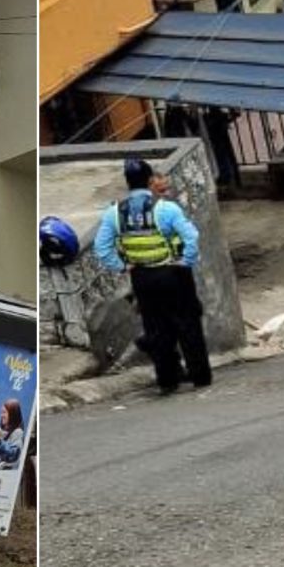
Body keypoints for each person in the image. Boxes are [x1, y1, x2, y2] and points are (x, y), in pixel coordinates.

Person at [92, 156, 211, 394]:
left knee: (156, 329)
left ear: (127, 182)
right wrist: (185, 261)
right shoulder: (166, 208)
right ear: (149, 181)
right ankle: (199, 375)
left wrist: (123, 266)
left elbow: (101, 248)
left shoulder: (115, 213)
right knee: (187, 324)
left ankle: (167, 380)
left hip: (142, 277)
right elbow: (191, 238)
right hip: (171, 272)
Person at [0, 399, 26, 470]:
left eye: (4, 413)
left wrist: (0, 442)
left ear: (12, 414)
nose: (1, 415)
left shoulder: (18, 433)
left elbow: (13, 455)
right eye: (1, 412)